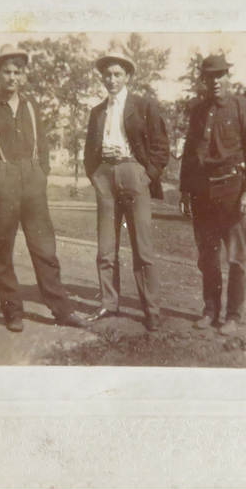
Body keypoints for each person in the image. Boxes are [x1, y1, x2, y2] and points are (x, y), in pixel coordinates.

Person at [0, 44, 88, 333]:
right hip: (3, 184)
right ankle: (12, 312)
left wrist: (42, 171)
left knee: (45, 250)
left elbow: (43, 144)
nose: (12, 77)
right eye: (6, 71)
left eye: (17, 72)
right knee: (4, 252)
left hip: (33, 185)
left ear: (23, 75)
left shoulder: (32, 105)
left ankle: (62, 310)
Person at [83, 53, 170, 331]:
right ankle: (109, 303)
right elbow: (88, 152)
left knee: (142, 248)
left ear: (128, 76)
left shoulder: (144, 106)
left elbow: (160, 146)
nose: (112, 80)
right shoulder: (97, 111)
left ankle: (152, 310)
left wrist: (148, 175)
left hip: (134, 173)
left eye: (117, 74)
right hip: (106, 176)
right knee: (106, 248)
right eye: (107, 75)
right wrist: (95, 176)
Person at [179, 54, 246, 335]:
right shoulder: (197, 111)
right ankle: (210, 311)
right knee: (208, 257)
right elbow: (190, 155)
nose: (215, 82)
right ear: (203, 80)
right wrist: (185, 191)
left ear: (228, 76)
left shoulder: (243, 107)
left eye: (220, 75)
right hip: (203, 194)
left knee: (236, 259)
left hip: (232, 191)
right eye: (209, 77)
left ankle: (234, 316)